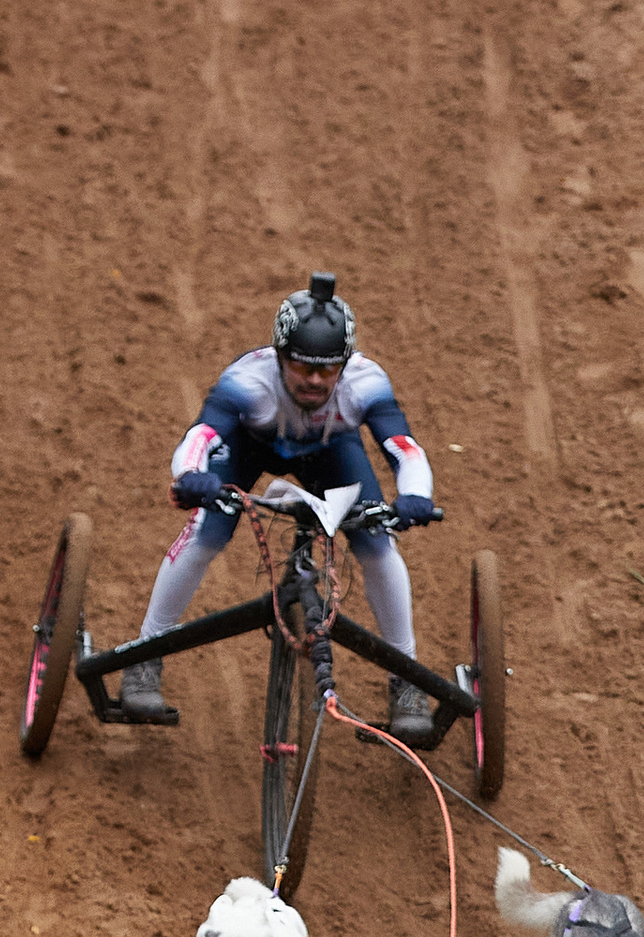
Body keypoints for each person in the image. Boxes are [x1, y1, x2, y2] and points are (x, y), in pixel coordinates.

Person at [122, 271, 439, 742]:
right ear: (280, 356)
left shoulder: (365, 384)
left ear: (345, 363)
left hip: (331, 451)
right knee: (208, 529)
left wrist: (415, 497)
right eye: (301, 367)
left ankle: (407, 681)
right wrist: (192, 478)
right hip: (251, 447)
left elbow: (404, 448)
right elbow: (201, 437)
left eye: (328, 369)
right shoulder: (248, 383)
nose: (314, 380)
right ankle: (144, 656)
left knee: (377, 543)